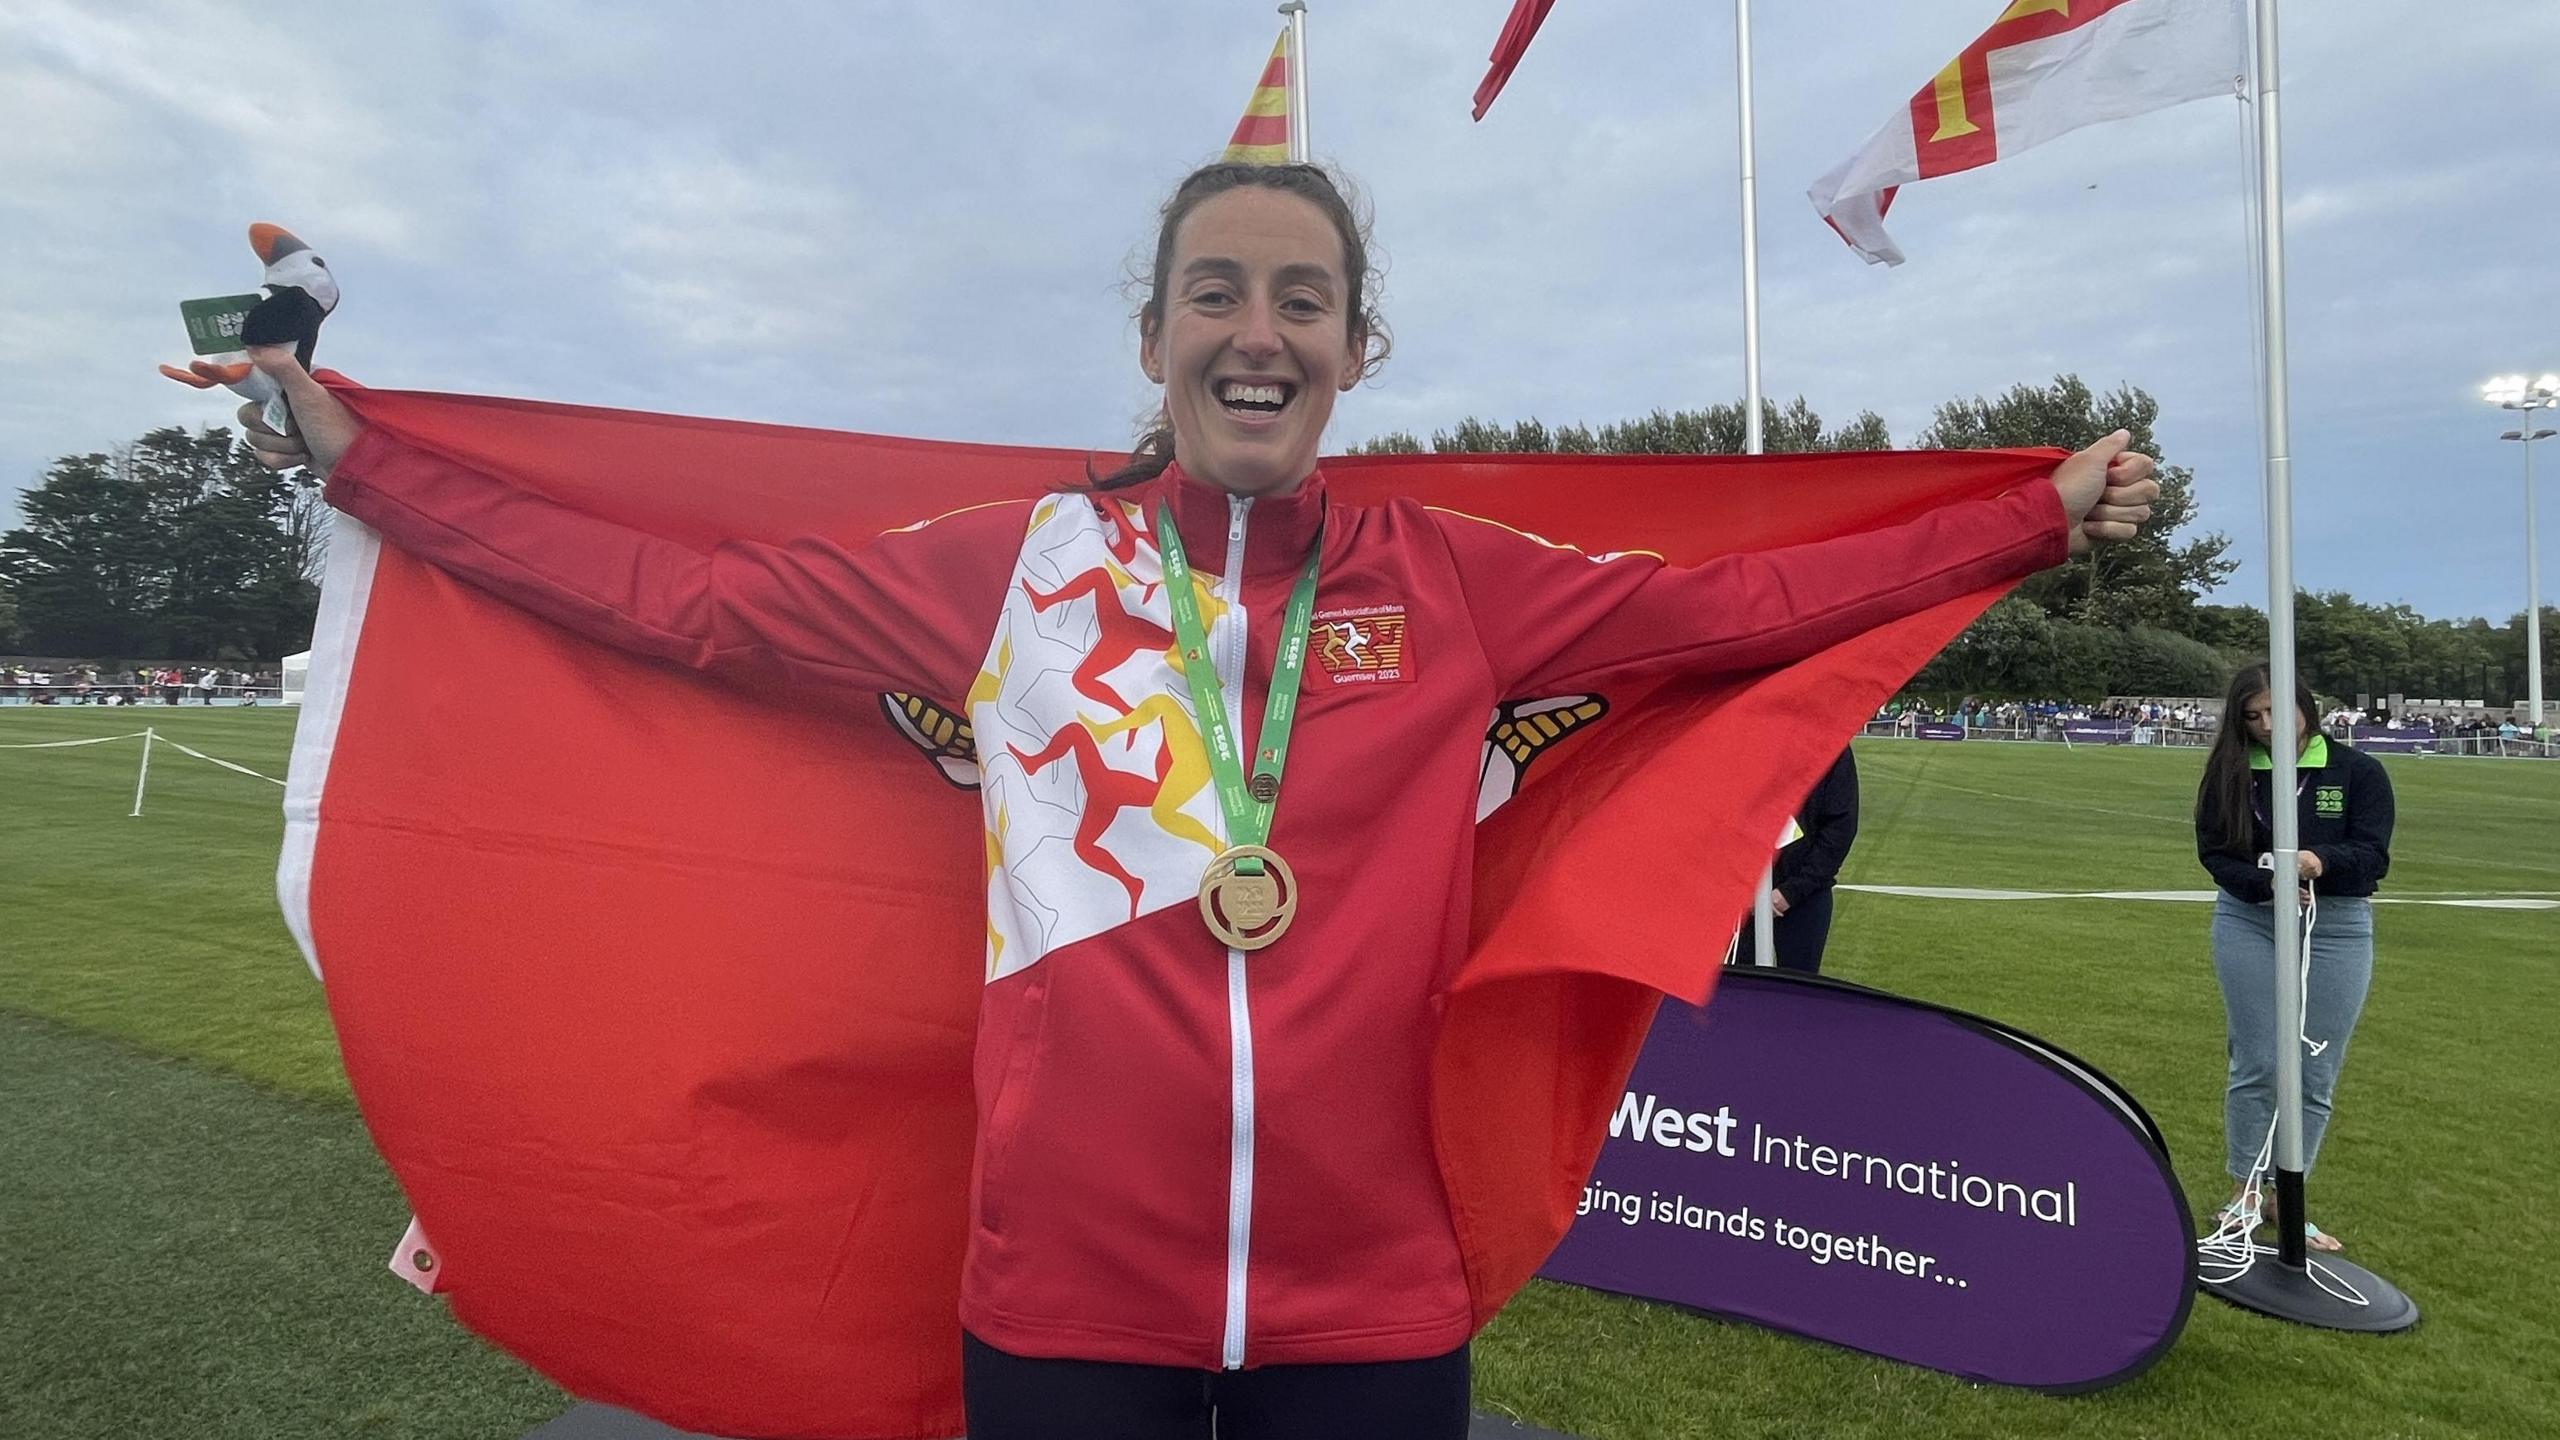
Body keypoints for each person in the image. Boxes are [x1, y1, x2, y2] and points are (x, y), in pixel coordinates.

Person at [234, 160, 2159, 1440]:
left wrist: (2028, 516)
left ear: (1353, 350)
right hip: (1064, 1294)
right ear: (1153, 337)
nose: (1262, 329)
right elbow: (680, 603)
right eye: (1218, 292)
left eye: (1305, 300)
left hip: (1373, 1296)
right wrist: (366, 460)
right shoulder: (1015, 563)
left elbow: (1741, 606)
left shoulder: (1450, 576)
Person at [2192, 662, 2393, 1254]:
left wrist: (2316, 864)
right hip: (2250, 922)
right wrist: (2267, 879)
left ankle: (2289, 1195)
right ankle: (2245, 1193)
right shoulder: (2228, 774)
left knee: (2315, 1068)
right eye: (2252, 716)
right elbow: (2215, 856)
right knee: (2257, 1060)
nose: (2267, 725)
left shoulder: (2357, 771)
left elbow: (2372, 855)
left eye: (2278, 711)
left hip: (2336, 928)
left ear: (2306, 705)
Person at [1733, 746, 1858, 974]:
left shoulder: (1834, 748)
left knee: (1798, 993)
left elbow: (1840, 829)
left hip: (1806, 899)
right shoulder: (1746, 738)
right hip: (1745, 898)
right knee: (1739, 990)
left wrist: (1790, 893)